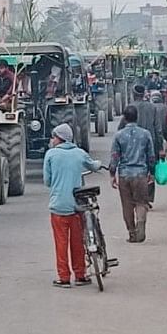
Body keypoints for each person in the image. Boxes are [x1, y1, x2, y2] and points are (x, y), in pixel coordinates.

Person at [43, 123, 102, 288]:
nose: (52, 140)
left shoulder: (51, 155)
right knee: (78, 242)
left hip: (58, 206)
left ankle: (63, 277)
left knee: (61, 243)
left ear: (59, 138)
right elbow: (93, 165)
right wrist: (98, 164)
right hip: (77, 206)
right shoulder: (79, 153)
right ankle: (80, 275)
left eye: (53, 137)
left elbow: (47, 181)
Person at [110, 105, 156, 243]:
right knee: (141, 203)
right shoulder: (145, 134)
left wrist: (113, 174)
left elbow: (115, 157)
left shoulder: (118, 135)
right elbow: (151, 156)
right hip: (141, 174)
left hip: (124, 174)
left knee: (127, 205)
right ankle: (141, 229)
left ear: (124, 118)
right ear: (137, 117)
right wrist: (151, 172)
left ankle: (132, 232)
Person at [118, 84, 165, 204]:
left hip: (131, 144)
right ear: (144, 94)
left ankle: (135, 196)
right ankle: (147, 198)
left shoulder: (129, 107)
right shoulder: (152, 107)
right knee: (150, 169)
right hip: (151, 143)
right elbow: (158, 129)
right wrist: (160, 147)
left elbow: (121, 128)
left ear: (133, 94)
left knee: (135, 168)